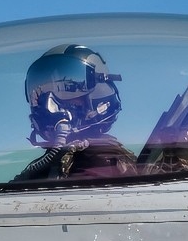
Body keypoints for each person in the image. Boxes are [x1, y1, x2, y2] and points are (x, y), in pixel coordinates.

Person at [12, 45, 137, 181]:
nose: (48, 103)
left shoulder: (106, 163)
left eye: (65, 92)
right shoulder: (48, 165)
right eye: (42, 94)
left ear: (98, 94)